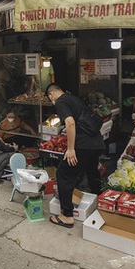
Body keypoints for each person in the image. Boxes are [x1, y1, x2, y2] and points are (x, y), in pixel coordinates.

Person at [45, 83, 103, 228]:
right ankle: (100, 202)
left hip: (83, 144)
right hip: (96, 142)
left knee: (64, 174)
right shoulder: (73, 99)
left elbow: (70, 123)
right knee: (91, 170)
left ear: (51, 94)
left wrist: (70, 149)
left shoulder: (61, 101)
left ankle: (67, 216)